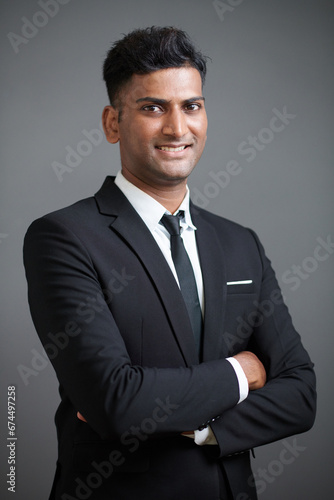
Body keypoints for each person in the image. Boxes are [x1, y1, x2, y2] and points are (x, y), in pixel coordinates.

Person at [23, 26, 316, 500]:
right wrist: (242, 372)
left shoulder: (241, 243)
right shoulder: (63, 237)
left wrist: (204, 429)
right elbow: (117, 402)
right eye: (153, 107)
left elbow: (302, 395)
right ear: (112, 123)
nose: (177, 129)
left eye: (191, 106)